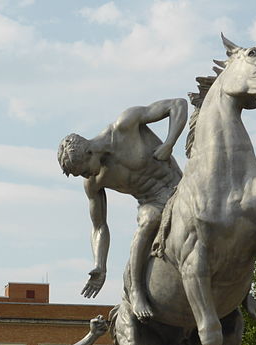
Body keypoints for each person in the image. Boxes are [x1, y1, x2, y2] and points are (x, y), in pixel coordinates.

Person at [57, 99, 187, 321]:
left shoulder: (125, 126)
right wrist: (100, 264)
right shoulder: (94, 182)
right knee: (148, 221)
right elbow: (99, 226)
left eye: (83, 171)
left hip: (181, 187)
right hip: (151, 201)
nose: (85, 177)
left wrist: (169, 142)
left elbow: (177, 105)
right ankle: (136, 291)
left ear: (89, 152)